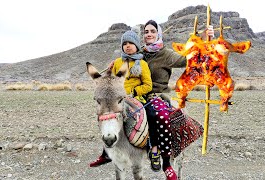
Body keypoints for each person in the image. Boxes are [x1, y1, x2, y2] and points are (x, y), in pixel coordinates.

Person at [90, 20, 214, 180]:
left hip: (155, 95)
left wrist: (202, 39)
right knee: (109, 113)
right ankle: (108, 152)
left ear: (158, 34)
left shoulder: (166, 54)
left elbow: (187, 60)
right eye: (146, 32)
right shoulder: (138, 52)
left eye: (152, 31)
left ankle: (164, 160)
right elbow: (126, 61)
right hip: (130, 96)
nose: (149, 34)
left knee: (159, 116)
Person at [89, 30, 152, 167]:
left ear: (137, 45)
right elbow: (111, 81)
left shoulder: (142, 64)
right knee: (107, 118)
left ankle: (151, 148)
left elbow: (148, 85)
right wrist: (107, 72)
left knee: (151, 116)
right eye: (125, 43)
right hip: (118, 100)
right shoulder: (117, 62)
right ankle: (106, 153)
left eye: (131, 43)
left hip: (137, 98)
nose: (128, 46)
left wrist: (132, 92)